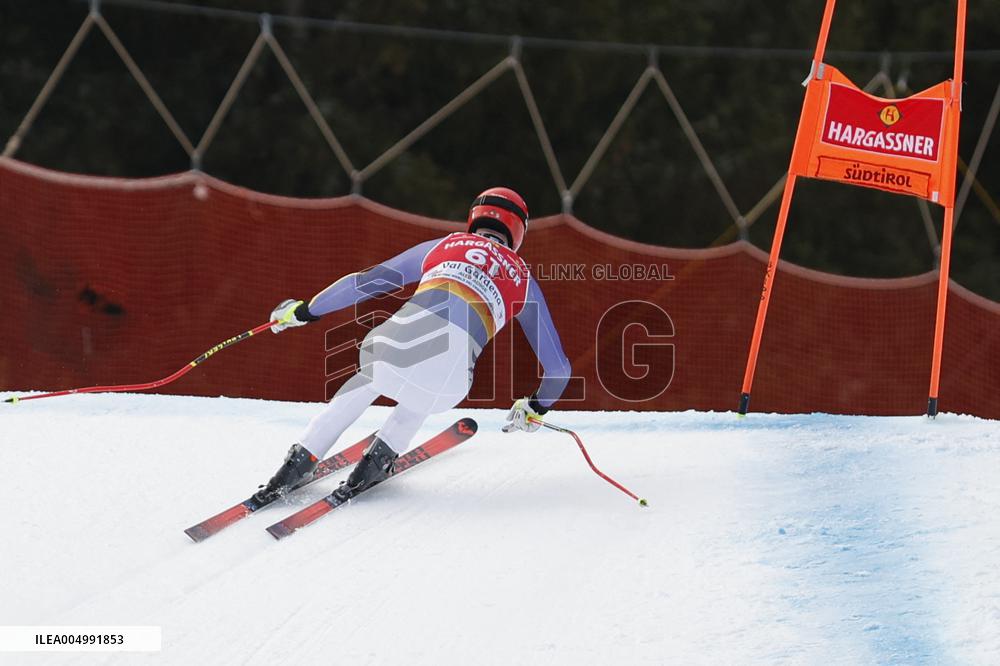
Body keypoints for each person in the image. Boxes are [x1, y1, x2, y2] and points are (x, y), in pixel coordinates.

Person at [255, 187, 572, 502]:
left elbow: (364, 283)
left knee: (371, 375)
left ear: (474, 217)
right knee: (434, 378)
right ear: (519, 232)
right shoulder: (523, 279)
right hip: (448, 387)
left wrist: (305, 311)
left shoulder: (445, 245)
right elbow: (559, 369)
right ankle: (379, 458)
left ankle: (302, 458)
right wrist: (536, 406)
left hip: (387, 355)